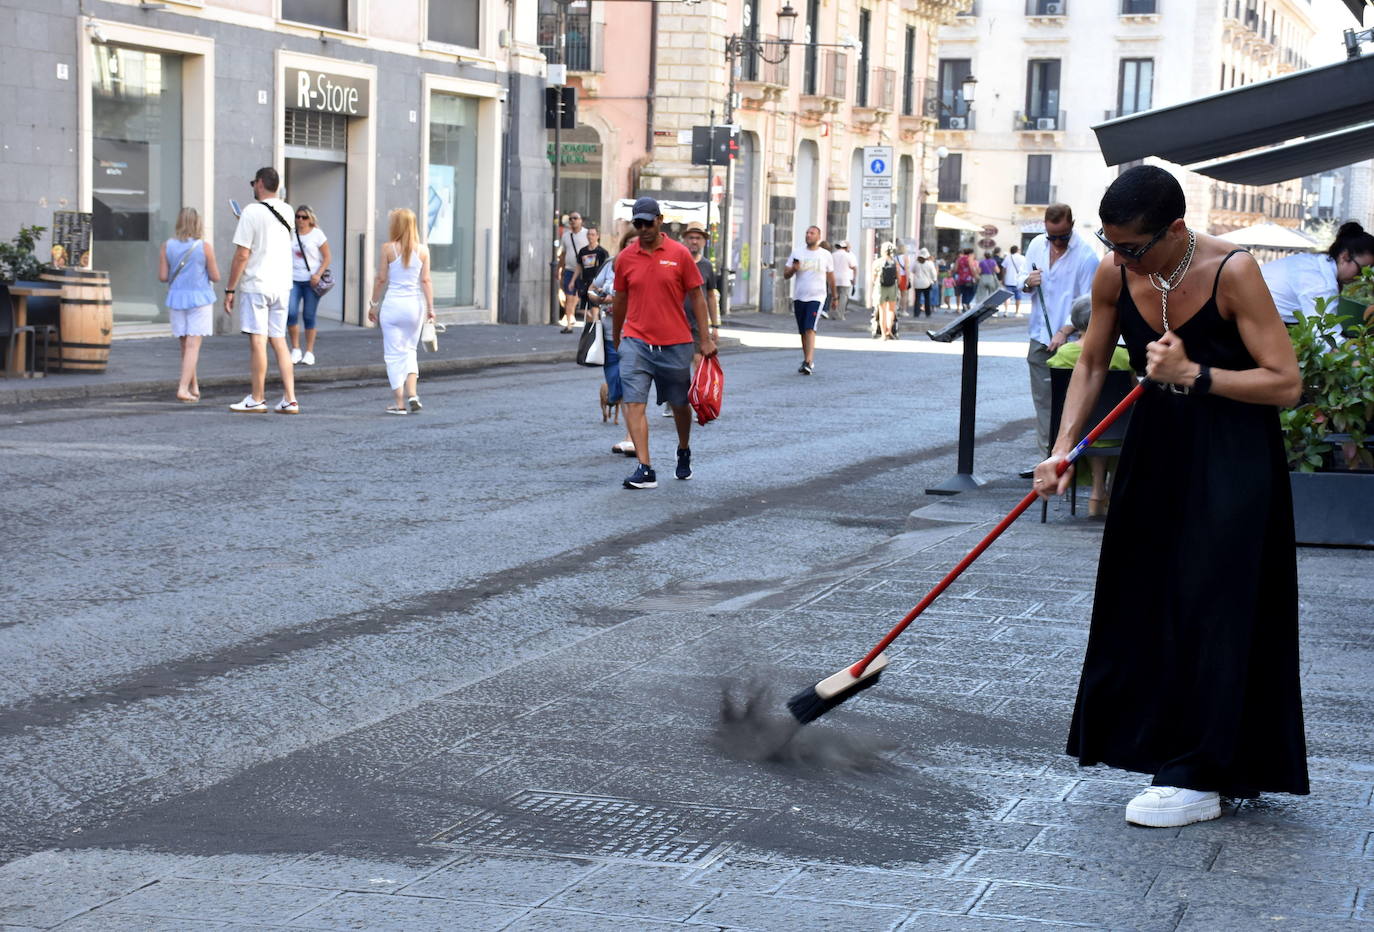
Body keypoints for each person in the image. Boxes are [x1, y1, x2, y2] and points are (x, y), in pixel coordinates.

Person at [1033, 165, 1307, 828]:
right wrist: (1063, 448)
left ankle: (1197, 771)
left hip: (1234, 456)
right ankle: (1179, 755)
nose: (1118, 257)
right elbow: (1094, 363)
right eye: (1110, 243)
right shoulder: (1113, 273)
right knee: (1145, 595)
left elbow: (1285, 382)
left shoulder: (1231, 272)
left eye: (1132, 246)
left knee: (1214, 601)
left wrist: (1196, 374)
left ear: (1175, 229)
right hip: (1156, 452)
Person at [611, 196, 716, 488]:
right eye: (638, 223)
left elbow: (697, 295)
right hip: (636, 340)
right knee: (633, 403)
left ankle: (683, 449)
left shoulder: (679, 254)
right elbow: (620, 300)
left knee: (680, 404)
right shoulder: (626, 258)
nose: (643, 228)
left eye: (648, 222)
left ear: (659, 220)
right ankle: (645, 468)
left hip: (675, 342)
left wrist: (704, 339)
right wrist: (618, 337)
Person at [1018, 203, 1098, 456]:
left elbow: (1089, 301)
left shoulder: (1086, 256)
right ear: (1045, 227)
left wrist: (1065, 330)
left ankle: (1068, 459)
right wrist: (1027, 282)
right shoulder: (1035, 246)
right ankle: (1046, 458)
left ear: (1072, 226)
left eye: (1063, 236)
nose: (1057, 242)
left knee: (1069, 404)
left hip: (1070, 341)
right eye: (1052, 237)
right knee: (1043, 404)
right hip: (1039, 336)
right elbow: (1021, 279)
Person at [1044, 294, 1132, 516]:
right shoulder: (1122, 355)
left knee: (1094, 435)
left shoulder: (1063, 354)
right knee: (1112, 433)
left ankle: (1096, 490)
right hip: (1116, 431)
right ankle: (1104, 490)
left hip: (1077, 431)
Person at [223, 166, 299, 414]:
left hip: (257, 284)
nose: (253, 187)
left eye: (253, 183)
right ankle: (290, 398)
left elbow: (242, 255)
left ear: (260, 183)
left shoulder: (252, 212)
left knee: (258, 341)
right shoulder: (287, 210)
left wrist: (230, 289)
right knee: (279, 340)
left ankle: (257, 397)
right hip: (282, 284)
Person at [367, 208, 435, 414]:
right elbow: (425, 280)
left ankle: (399, 403)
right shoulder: (423, 250)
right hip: (414, 307)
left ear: (396, 225)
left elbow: (381, 279)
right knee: (410, 351)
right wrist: (431, 309)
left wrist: (373, 304)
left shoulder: (388, 248)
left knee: (393, 354)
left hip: (393, 306)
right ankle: (413, 394)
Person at [159, 207, 220, 404]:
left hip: (177, 298)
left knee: (185, 346)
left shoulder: (166, 245)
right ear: (198, 224)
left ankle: (194, 386)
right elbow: (215, 276)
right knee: (193, 345)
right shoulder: (204, 247)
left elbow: (162, 276)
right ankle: (183, 388)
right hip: (200, 298)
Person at [1260, 221, 1374, 325]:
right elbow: (1323, 336)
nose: (1361, 277)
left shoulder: (1313, 261)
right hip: (1256, 323)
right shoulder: (1322, 283)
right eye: (1361, 269)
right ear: (1345, 256)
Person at [587, 230, 637, 456]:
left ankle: (632, 438)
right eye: (629, 243)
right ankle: (632, 436)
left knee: (630, 386)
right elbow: (591, 289)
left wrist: (615, 299)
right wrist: (596, 299)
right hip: (609, 334)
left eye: (637, 243)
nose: (633, 246)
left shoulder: (647, 268)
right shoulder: (610, 265)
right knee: (615, 385)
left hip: (634, 334)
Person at [784, 225, 836, 371]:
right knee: (802, 330)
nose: (808, 235)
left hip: (817, 296)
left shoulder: (825, 255)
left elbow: (831, 277)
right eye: (807, 233)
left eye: (812, 233)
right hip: (800, 296)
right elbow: (785, 274)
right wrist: (794, 269)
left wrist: (835, 296)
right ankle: (806, 359)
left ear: (818, 237)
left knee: (810, 327)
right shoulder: (797, 252)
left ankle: (808, 361)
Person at [287, 205, 331, 367]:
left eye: (304, 217)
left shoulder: (317, 234)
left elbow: (327, 257)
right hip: (293, 279)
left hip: (311, 280)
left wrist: (318, 274)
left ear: (310, 219)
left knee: (308, 315)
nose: (300, 220)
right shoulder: (291, 234)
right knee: (291, 313)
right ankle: (296, 348)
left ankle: (309, 351)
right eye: (298, 216)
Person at [681, 222, 719, 338]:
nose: (694, 241)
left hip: (699, 325)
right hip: (677, 323)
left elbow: (711, 296)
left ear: (704, 241)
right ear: (685, 240)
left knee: (698, 356)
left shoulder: (706, 265)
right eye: (691, 238)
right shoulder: (677, 262)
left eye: (698, 238)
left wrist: (715, 326)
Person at [558, 211, 589, 332]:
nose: (572, 221)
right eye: (570, 219)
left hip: (584, 271)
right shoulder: (566, 235)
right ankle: (569, 323)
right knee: (569, 296)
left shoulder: (587, 234)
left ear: (581, 220)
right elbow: (563, 254)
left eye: (575, 218)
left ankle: (586, 322)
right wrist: (559, 269)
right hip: (569, 270)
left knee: (583, 297)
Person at [576, 226, 609, 318]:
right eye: (589, 234)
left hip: (596, 283)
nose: (590, 236)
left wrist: (603, 284)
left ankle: (595, 327)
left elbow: (605, 270)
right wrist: (573, 280)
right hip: (585, 282)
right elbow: (579, 266)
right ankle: (593, 325)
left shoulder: (602, 252)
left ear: (597, 236)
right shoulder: (583, 251)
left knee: (594, 307)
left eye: (593, 234)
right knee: (583, 309)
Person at [870, 242, 900, 338]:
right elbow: (898, 276)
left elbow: (873, 277)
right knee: (891, 310)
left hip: (880, 287)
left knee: (882, 311)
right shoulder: (895, 262)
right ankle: (889, 330)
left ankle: (883, 334)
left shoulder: (877, 262)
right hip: (892, 287)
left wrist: (875, 283)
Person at [830, 240, 858, 321]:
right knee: (843, 297)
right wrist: (854, 278)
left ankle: (832, 313)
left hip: (834, 279)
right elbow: (854, 267)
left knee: (834, 296)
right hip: (845, 279)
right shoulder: (848, 256)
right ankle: (840, 315)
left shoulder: (832, 255)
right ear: (845, 248)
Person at [910, 247, 937, 318]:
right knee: (927, 298)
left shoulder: (916, 263)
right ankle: (928, 313)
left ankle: (916, 313)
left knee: (917, 299)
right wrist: (934, 279)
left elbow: (912, 270)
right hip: (927, 283)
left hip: (917, 283)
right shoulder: (930, 263)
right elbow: (933, 273)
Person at [1001, 244, 1028, 315]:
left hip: (1008, 280)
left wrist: (1003, 278)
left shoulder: (1007, 258)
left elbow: (1004, 269)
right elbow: (1026, 269)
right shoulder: (1022, 258)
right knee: (1018, 297)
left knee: (1007, 296)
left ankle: (1006, 311)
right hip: (1018, 280)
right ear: (1017, 250)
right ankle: (1017, 311)